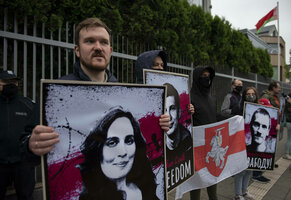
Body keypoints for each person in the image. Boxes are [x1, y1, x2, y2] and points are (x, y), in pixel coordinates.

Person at [27, 18, 170, 156]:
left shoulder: (124, 94)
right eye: (90, 41)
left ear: (110, 50)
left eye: (104, 42)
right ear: (77, 50)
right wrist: (31, 144)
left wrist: (159, 125)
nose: (98, 47)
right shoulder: (55, 94)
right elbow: (24, 142)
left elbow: (138, 137)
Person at [78, 106, 158, 200]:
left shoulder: (145, 187)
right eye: (112, 143)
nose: (123, 152)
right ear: (97, 150)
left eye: (129, 141)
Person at [0, 70, 39, 200]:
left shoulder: (28, 104)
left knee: (26, 196)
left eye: (14, 82)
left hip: (23, 163)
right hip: (1, 163)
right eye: (6, 81)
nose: (11, 84)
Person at [189, 66, 218, 200]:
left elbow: (215, 117)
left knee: (212, 177)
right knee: (197, 182)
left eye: (208, 76)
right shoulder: (189, 98)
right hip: (197, 147)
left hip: (211, 146)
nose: (206, 78)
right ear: (196, 78)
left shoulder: (212, 99)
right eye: (203, 75)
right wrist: (187, 112)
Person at [233, 87, 258, 200]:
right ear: (244, 96)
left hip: (253, 143)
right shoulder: (239, 108)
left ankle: (244, 191)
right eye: (248, 94)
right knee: (240, 169)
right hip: (241, 142)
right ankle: (238, 194)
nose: (251, 96)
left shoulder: (259, 109)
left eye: (253, 94)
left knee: (249, 168)